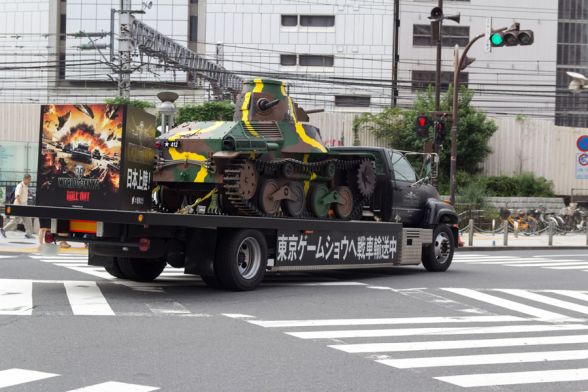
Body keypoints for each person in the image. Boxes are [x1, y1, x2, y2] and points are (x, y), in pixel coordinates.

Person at [1, 174, 33, 239]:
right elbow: (17, 196)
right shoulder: (20, 186)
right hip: (19, 206)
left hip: (24, 206)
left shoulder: (26, 186)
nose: (30, 181)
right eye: (29, 180)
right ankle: (3, 230)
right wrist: (20, 206)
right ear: (25, 179)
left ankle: (28, 234)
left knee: (27, 220)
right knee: (15, 221)